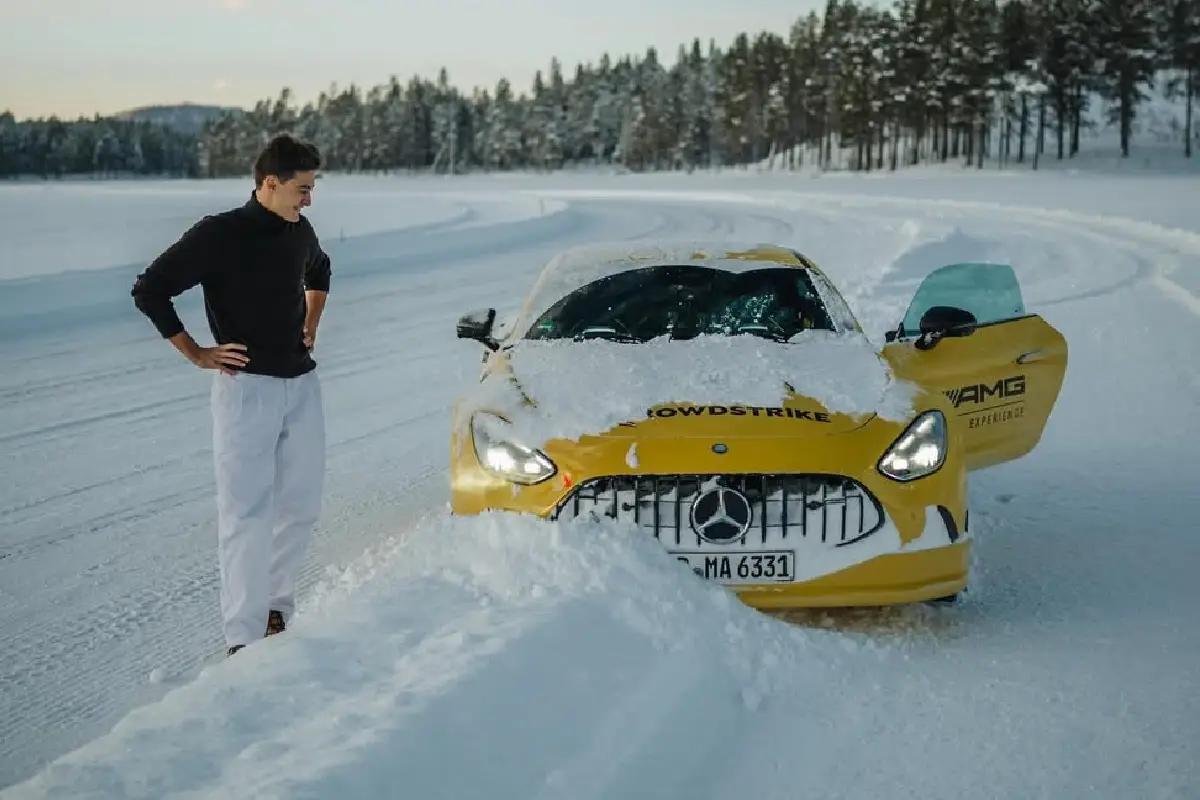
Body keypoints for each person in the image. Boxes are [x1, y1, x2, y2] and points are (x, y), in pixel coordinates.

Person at [131, 135, 331, 656]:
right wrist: (196, 352)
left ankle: (274, 612)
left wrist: (311, 321)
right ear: (270, 182)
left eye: (311, 190)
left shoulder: (298, 230)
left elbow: (320, 268)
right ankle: (242, 639)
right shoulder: (218, 234)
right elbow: (149, 289)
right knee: (246, 515)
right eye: (302, 189)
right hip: (247, 392)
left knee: (302, 505)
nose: (308, 200)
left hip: (301, 385)